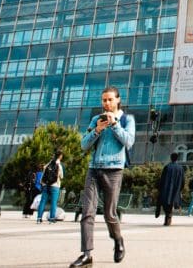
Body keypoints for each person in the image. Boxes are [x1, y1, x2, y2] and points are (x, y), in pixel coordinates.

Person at [71, 86, 135, 267]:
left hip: (114, 170)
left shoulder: (127, 119)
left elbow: (129, 142)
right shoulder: (95, 119)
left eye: (110, 100)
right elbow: (84, 145)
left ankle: (118, 240)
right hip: (94, 169)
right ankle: (86, 254)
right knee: (87, 212)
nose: (106, 103)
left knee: (109, 214)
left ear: (118, 100)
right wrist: (97, 130)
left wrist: (115, 124)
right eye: (104, 100)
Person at [37, 150, 64, 224]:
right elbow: (61, 176)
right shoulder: (59, 165)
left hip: (46, 185)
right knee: (53, 203)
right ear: (60, 156)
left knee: (43, 201)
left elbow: (44, 171)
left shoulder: (48, 164)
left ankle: (39, 219)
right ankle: (51, 219)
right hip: (55, 185)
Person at [157, 153, 184, 226]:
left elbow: (162, 179)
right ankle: (168, 217)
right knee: (171, 203)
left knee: (167, 203)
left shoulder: (167, 167)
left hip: (166, 189)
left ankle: (168, 217)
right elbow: (182, 180)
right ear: (177, 158)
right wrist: (180, 189)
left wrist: (160, 188)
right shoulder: (180, 168)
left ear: (171, 158)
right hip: (176, 189)